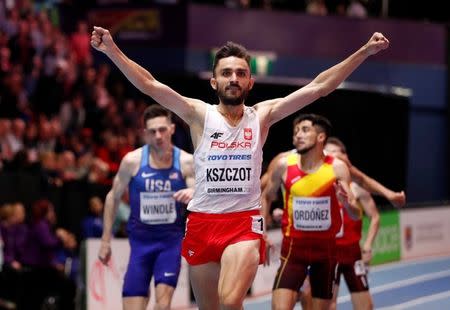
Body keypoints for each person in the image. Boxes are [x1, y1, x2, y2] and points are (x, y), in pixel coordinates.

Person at [90, 26, 389, 309]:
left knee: (230, 299)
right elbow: (149, 85)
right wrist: (112, 50)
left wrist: (363, 51)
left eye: (240, 73)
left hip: (243, 223)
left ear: (250, 82)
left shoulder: (262, 115)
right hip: (202, 222)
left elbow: (320, 87)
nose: (233, 78)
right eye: (226, 73)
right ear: (214, 81)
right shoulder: (198, 114)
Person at [97, 105, 195, 310]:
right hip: (140, 246)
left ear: (172, 129)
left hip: (170, 243)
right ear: (145, 134)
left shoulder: (186, 162)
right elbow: (112, 197)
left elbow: (201, 195)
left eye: (162, 129)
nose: (158, 136)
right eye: (152, 131)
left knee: (163, 304)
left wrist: (194, 193)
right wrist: (105, 240)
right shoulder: (132, 161)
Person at [262, 114, 361, 310]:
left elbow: (356, 214)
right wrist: (262, 233)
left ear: (321, 137)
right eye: (296, 131)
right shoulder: (284, 165)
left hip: (326, 254)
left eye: (305, 130)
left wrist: (347, 204)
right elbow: (266, 196)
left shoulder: (337, 168)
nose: (298, 135)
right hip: (292, 252)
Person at [324, 137, 378, 310]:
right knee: (329, 305)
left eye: (334, 151)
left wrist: (368, 244)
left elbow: (375, 217)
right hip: (330, 254)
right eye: (326, 151)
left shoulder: (357, 187)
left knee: (366, 306)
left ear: (344, 156)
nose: (329, 154)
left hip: (353, 254)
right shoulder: (322, 186)